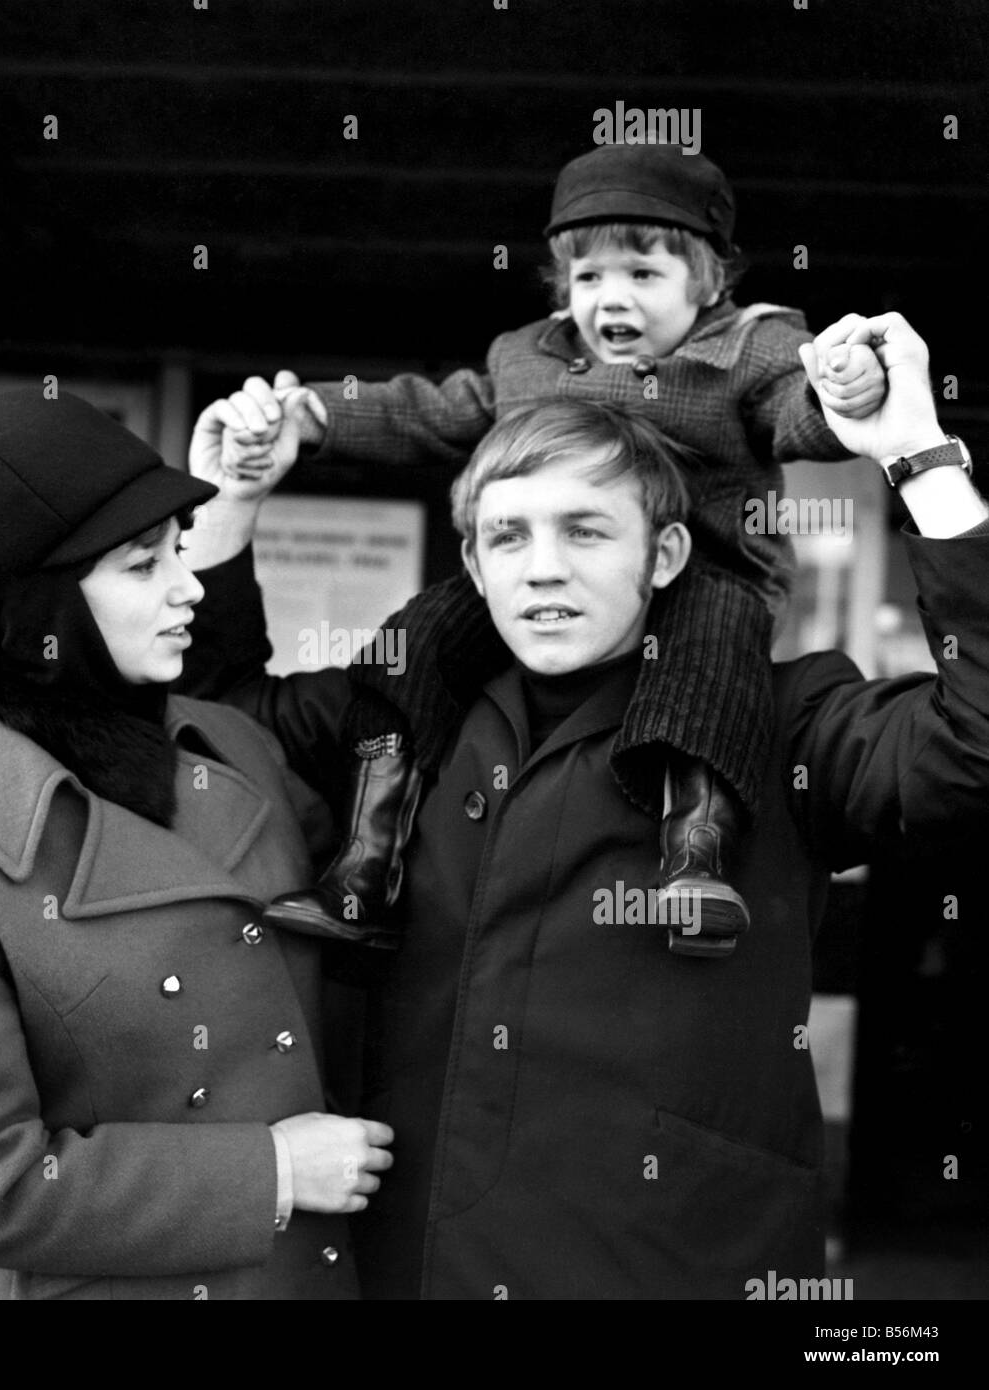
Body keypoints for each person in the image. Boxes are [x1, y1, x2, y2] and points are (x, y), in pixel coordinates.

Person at [178, 313, 989, 1298]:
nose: (542, 566)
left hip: (672, 1269)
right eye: (507, 536)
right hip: (412, 1269)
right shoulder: (397, 712)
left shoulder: (785, 721)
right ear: (473, 567)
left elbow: (970, 747)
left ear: (664, 555)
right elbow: (213, 722)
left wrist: (915, 453)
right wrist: (228, 501)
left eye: (585, 530)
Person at [220, 142, 886, 957]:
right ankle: (368, 866)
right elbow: (433, 410)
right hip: (558, 570)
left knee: (708, 658)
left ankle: (695, 861)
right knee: (415, 641)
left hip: (706, 571)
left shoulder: (749, 351)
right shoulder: (528, 360)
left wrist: (848, 390)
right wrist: (313, 416)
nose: (613, 298)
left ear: (708, 283)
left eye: (644, 274)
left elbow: (798, 412)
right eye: (590, 277)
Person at [0, 388, 392, 1301]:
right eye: (143, 567)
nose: (186, 586)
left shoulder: (233, 746)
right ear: (46, 608)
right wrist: (274, 1173)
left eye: (179, 550)